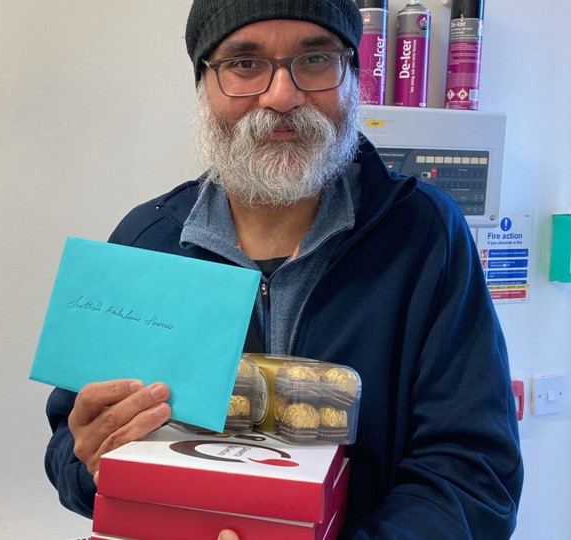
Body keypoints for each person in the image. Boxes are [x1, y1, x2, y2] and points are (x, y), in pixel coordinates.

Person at [44, 1, 523, 538]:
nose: (282, 95)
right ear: (204, 84)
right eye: (245, 64)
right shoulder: (146, 241)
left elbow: (473, 475)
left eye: (315, 59)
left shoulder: (425, 236)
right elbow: (69, 439)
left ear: (352, 79)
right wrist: (88, 463)